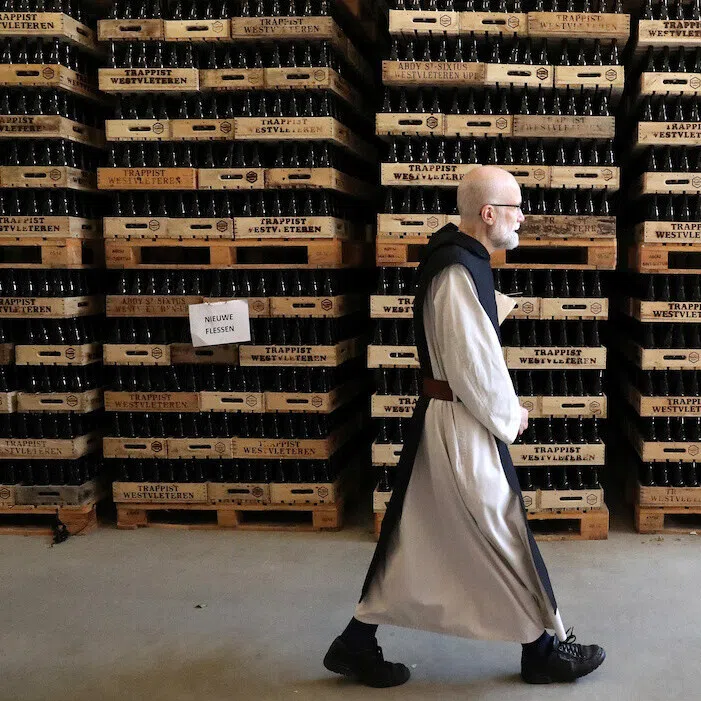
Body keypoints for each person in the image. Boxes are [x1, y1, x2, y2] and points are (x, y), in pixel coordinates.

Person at [323, 166, 606, 688]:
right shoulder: (456, 269)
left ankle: (356, 642)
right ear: (488, 213)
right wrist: (509, 413)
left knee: (419, 538)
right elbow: (470, 361)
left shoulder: (463, 259)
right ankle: (543, 651)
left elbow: (469, 336)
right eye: (515, 206)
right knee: (500, 525)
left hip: (451, 420)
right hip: (460, 422)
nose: (523, 216)